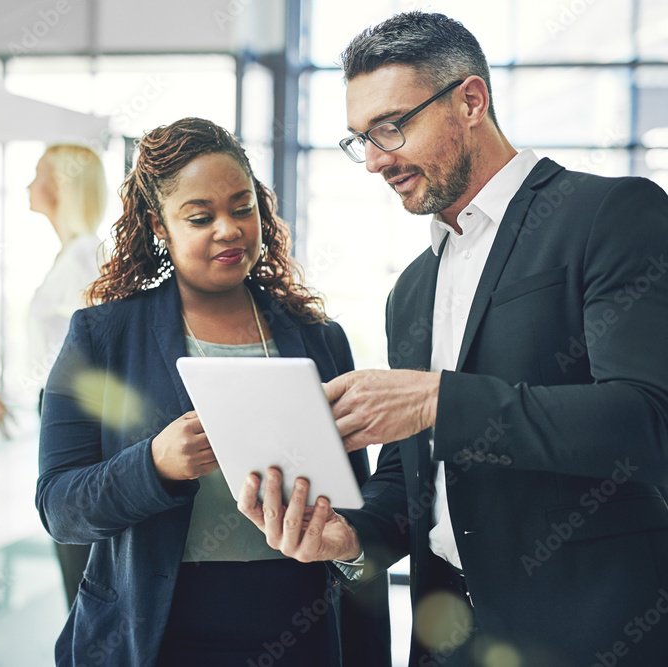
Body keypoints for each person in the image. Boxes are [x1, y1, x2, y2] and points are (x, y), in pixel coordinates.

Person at [238, 11, 668, 667]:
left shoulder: (610, 215)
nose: (377, 161)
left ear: (471, 100)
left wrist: (439, 399)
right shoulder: (411, 289)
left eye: (391, 126)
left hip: (589, 638)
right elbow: (412, 478)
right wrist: (351, 536)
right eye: (362, 139)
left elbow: (646, 418)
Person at [36, 117, 389, 666]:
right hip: (157, 634)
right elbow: (59, 507)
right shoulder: (102, 337)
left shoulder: (321, 340)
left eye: (242, 207)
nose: (228, 229)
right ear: (159, 225)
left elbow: (354, 505)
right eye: (200, 217)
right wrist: (153, 465)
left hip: (302, 628)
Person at [26, 143, 108, 609]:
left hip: (75, 413)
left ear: (61, 185)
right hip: (58, 405)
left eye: (38, 174)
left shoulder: (82, 257)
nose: (28, 185)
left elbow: (99, 353)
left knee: (76, 553)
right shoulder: (71, 254)